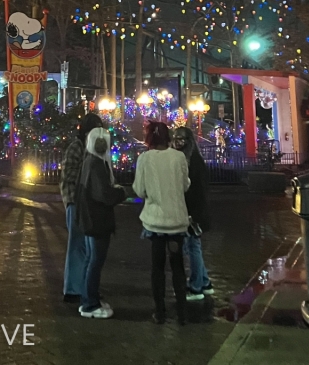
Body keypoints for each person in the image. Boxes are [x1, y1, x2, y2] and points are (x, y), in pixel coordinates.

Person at [133, 120, 190, 325]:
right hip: (176, 221)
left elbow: (139, 190)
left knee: (157, 268)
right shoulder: (179, 157)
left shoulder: (145, 159)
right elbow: (185, 185)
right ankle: (182, 312)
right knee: (178, 268)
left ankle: (160, 311)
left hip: (155, 223)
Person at [75, 127, 126, 319]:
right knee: (95, 262)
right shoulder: (97, 164)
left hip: (89, 220)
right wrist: (120, 192)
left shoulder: (89, 161)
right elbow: (104, 195)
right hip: (97, 221)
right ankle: (90, 304)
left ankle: (89, 297)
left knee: (90, 260)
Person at [61, 113, 103, 302]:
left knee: (87, 247)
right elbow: (69, 175)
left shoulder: (92, 148)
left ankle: (83, 286)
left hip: (88, 202)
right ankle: (72, 288)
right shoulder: (76, 148)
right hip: (76, 201)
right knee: (77, 244)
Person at [173, 126, 214, 301]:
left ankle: (196, 286)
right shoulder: (190, 159)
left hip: (193, 212)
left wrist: (191, 214)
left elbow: (195, 191)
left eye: (181, 139)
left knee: (192, 247)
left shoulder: (192, 162)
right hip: (194, 210)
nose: (177, 143)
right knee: (193, 247)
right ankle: (204, 282)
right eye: (175, 139)